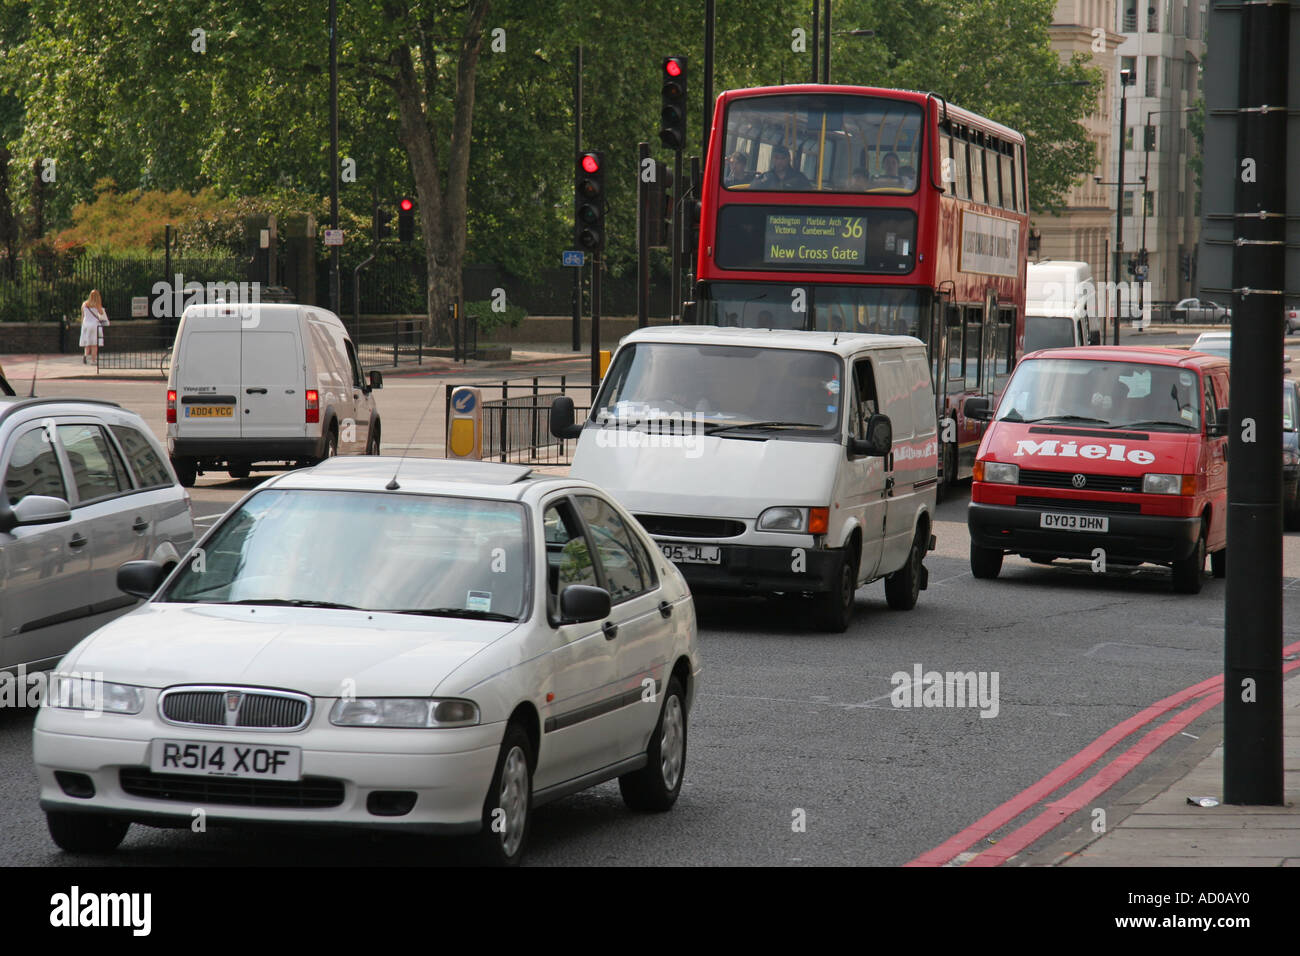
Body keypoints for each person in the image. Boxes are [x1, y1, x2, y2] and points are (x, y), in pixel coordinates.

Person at [79, 289, 109, 364]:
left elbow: (83, 316)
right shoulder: (97, 304)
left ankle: (85, 355)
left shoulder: (84, 304)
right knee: (94, 344)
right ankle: (93, 360)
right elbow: (101, 313)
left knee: (87, 343)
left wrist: (83, 324)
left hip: (86, 325)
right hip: (94, 325)